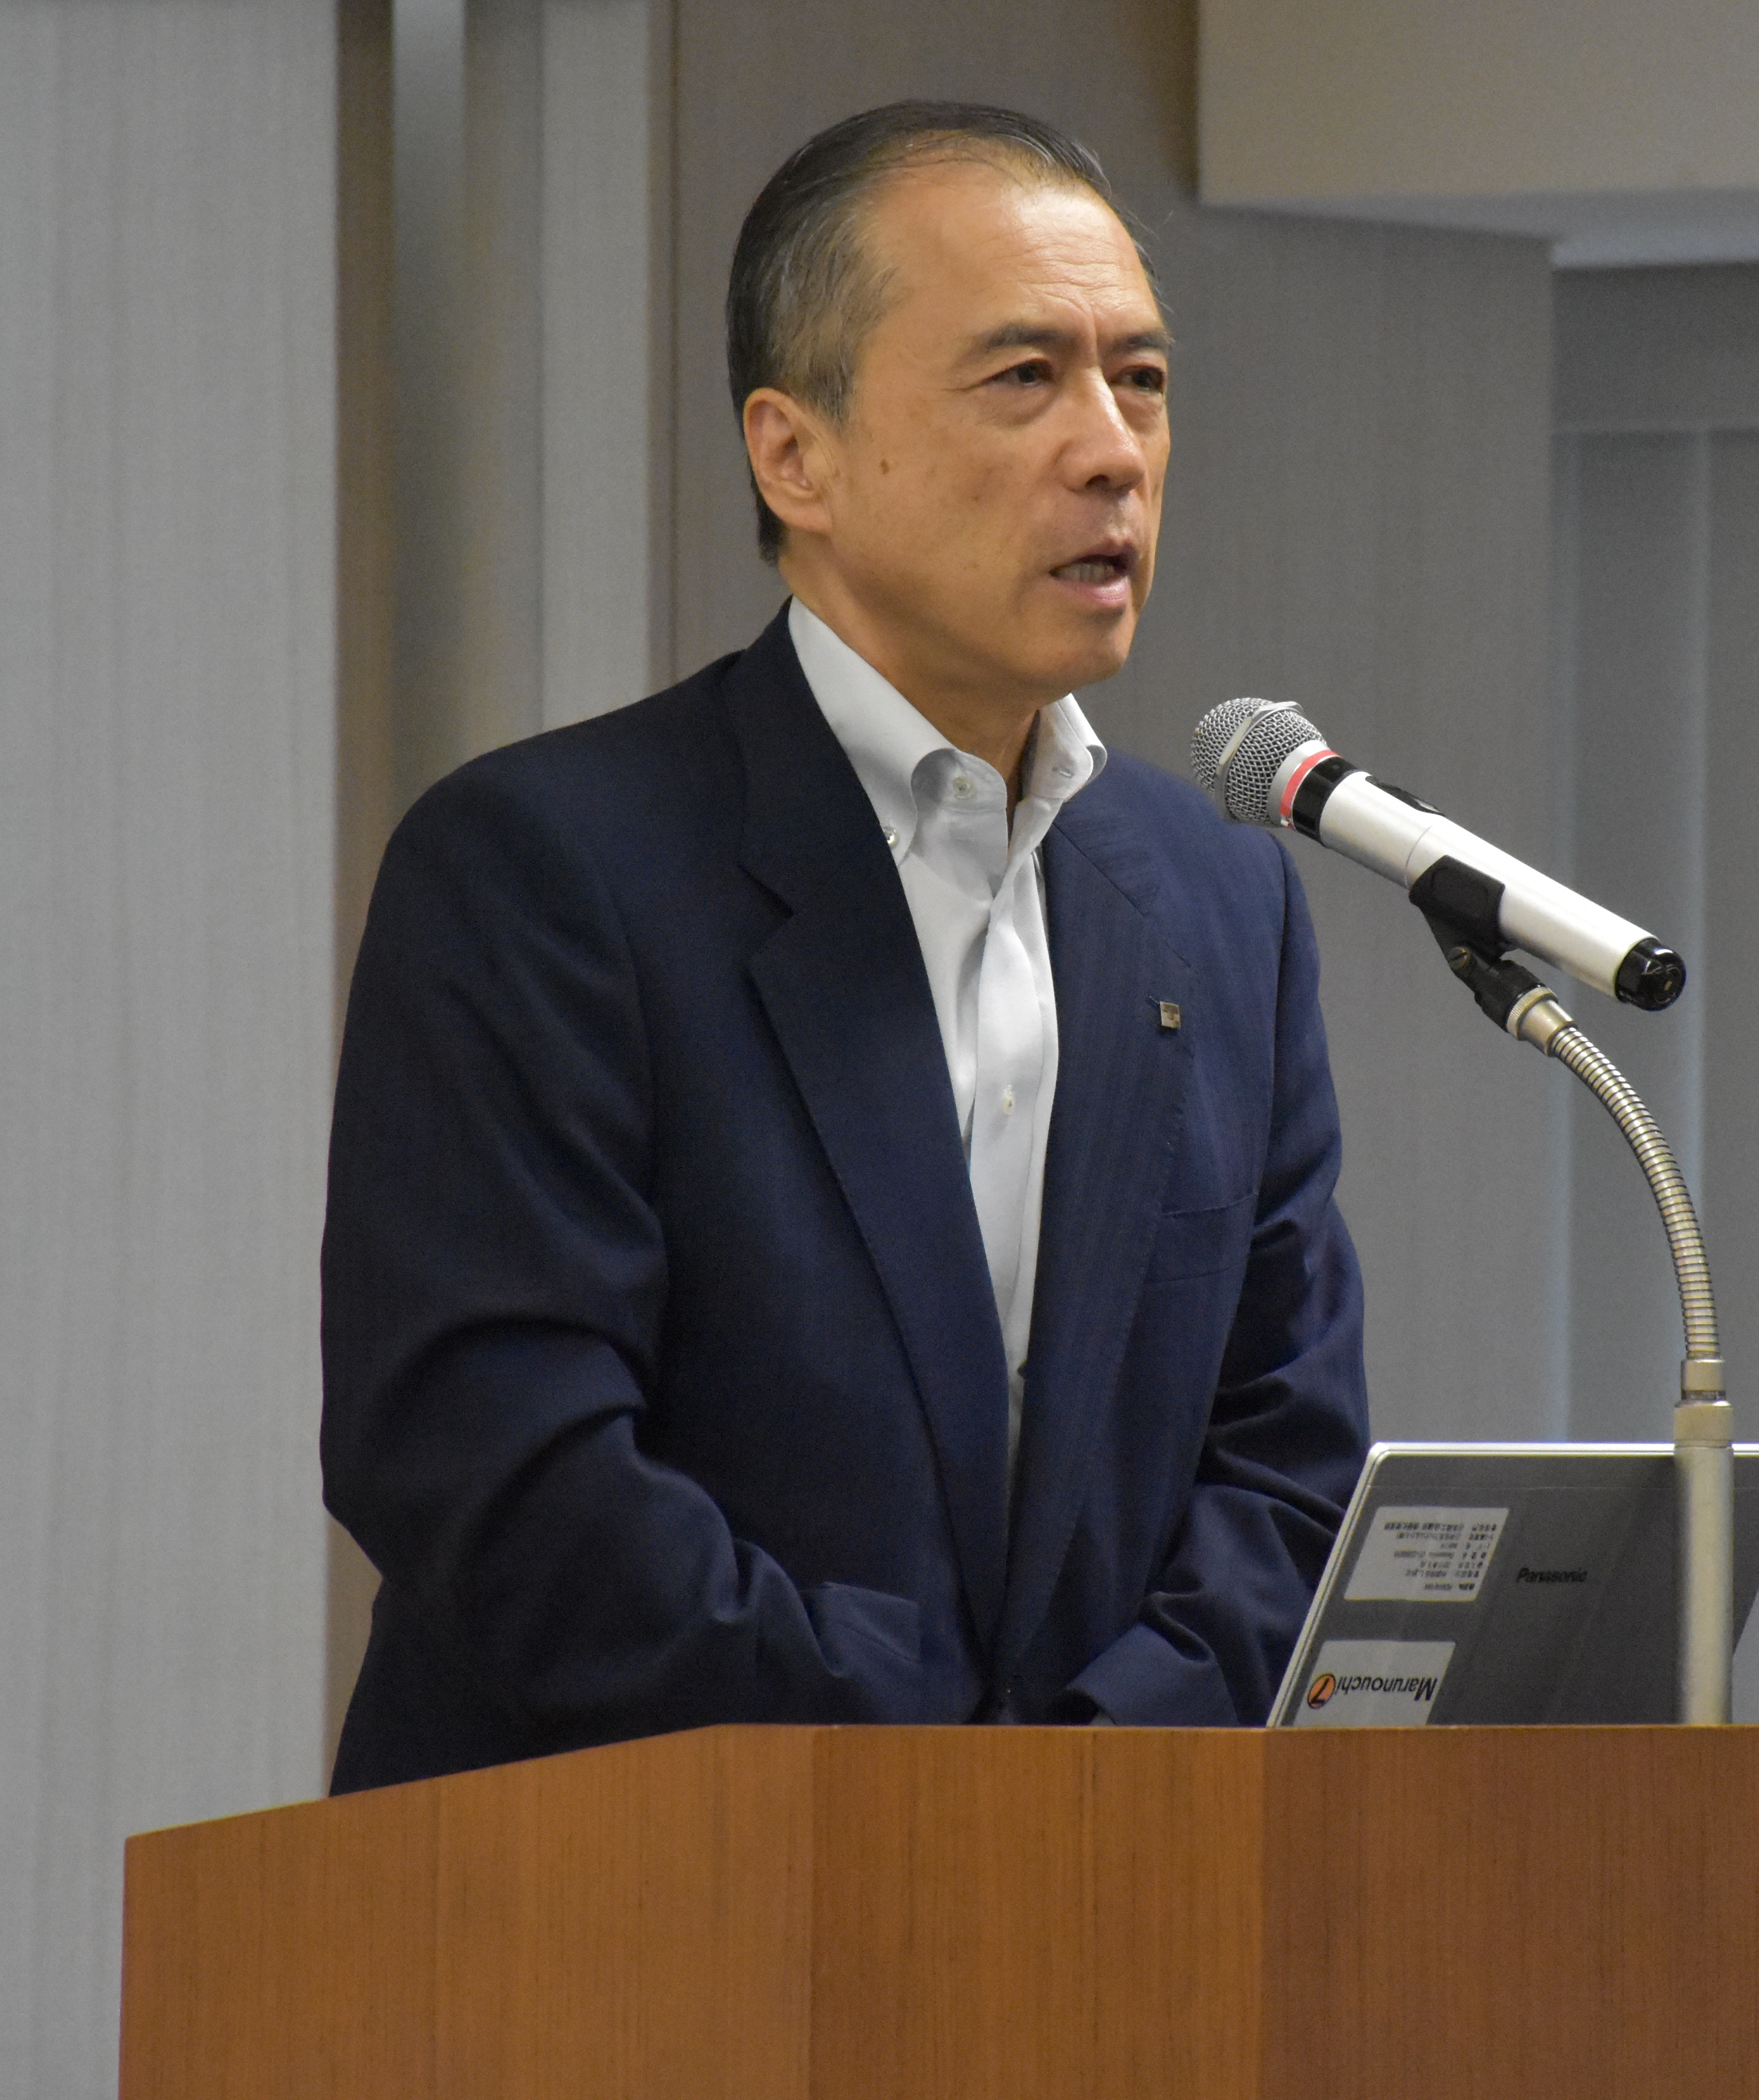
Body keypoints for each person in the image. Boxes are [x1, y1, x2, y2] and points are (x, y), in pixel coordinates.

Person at [321, 102, 1369, 1793]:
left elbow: (1286, 1458)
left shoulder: (1217, 898)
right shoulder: (550, 865)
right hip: (623, 1883)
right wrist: (938, 1770)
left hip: (1101, 1885)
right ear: (792, 457)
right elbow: (494, 1464)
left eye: (1141, 380)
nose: (1111, 449)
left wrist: (1093, 1768)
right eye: (1023, 377)